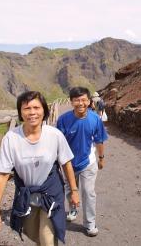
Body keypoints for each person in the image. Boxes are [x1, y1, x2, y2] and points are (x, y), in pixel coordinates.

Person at [0, 91, 80, 246]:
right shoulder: (11, 139)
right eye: (27, 108)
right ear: (20, 112)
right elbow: (2, 175)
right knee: (31, 233)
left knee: (47, 239)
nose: (32, 112)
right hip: (27, 194)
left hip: (51, 193)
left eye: (36, 108)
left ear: (44, 110)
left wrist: (74, 191)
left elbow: (66, 163)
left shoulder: (54, 135)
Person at [56, 87, 108, 237]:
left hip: (88, 162)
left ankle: (90, 223)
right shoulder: (63, 120)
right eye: (77, 100)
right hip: (68, 164)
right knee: (70, 188)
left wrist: (101, 158)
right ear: (71, 101)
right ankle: (73, 208)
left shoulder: (95, 119)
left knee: (88, 192)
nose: (81, 103)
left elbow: (99, 141)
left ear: (89, 101)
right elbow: (57, 143)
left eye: (84, 99)